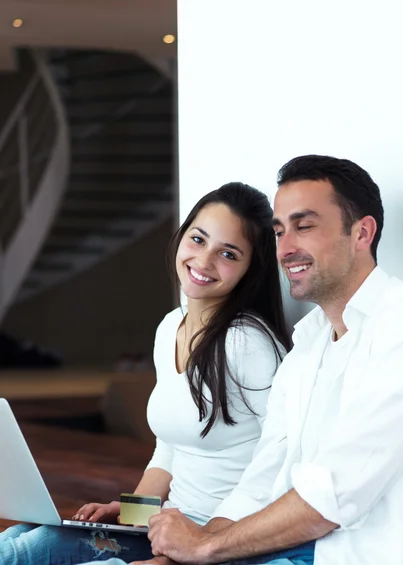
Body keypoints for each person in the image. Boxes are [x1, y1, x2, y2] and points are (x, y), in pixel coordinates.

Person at [85, 154, 403, 565]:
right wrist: (183, 553)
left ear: (362, 233)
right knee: (33, 546)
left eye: (305, 226)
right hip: (291, 553)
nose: (286, 248)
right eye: (280, 231)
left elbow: (336, 492)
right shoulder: (309, 345)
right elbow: (262, 480)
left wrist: (203, 546)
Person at [0, 182, 291, 565]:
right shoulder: (171, 326)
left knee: (26, 552)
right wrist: (130, 513)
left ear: (251, 269)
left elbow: (282, 463)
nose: (204, 261)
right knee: (20, 540)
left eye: (228, 254)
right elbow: (170, 448)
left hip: (223, 540)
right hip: (168, 528)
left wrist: (193, 550)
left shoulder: (249, 345)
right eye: (198, 239)